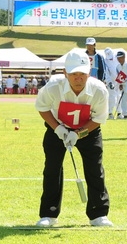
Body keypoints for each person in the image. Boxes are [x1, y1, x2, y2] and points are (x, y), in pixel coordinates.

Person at [34, 51, 111, 227]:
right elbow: (42, 107)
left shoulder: (99, 90)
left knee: (95, 170)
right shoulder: (53, 86)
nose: (78, 78)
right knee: (52, 169)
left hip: (88, 131)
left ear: (89, 73)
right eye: (74, 74)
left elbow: (98, 120)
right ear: (65, 73)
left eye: (82, 74)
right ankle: (49, 214)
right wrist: (59, 129)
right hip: (57, 129)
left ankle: (98, 215)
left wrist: (78, 134)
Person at [114, 50, 127, 119]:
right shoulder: (117, 67)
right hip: (124, 85)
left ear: (124, 57)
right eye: (117, 58)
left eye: (120, 57)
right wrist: (120, 84)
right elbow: (119, 76)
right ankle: (125, 115)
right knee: (124, 100)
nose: (118, 59)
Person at [103, 48, 118, 119]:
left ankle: (120, 112)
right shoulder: (105, 61)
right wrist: (109, 82)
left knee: (119, 96)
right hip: (111, 82)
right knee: (111, 97)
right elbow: (106, 73)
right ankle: (110, 112)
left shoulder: (118, 58)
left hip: (120, 80)